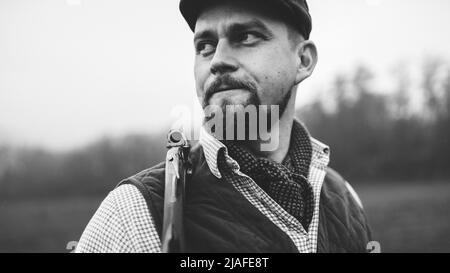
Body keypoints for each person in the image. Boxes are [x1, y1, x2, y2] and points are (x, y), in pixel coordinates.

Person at [75, 0, 372, 253]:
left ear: (303, 60)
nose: (217, 61)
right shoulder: (132, 214)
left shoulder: (344, 197)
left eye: (245, 37)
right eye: (205, 45)